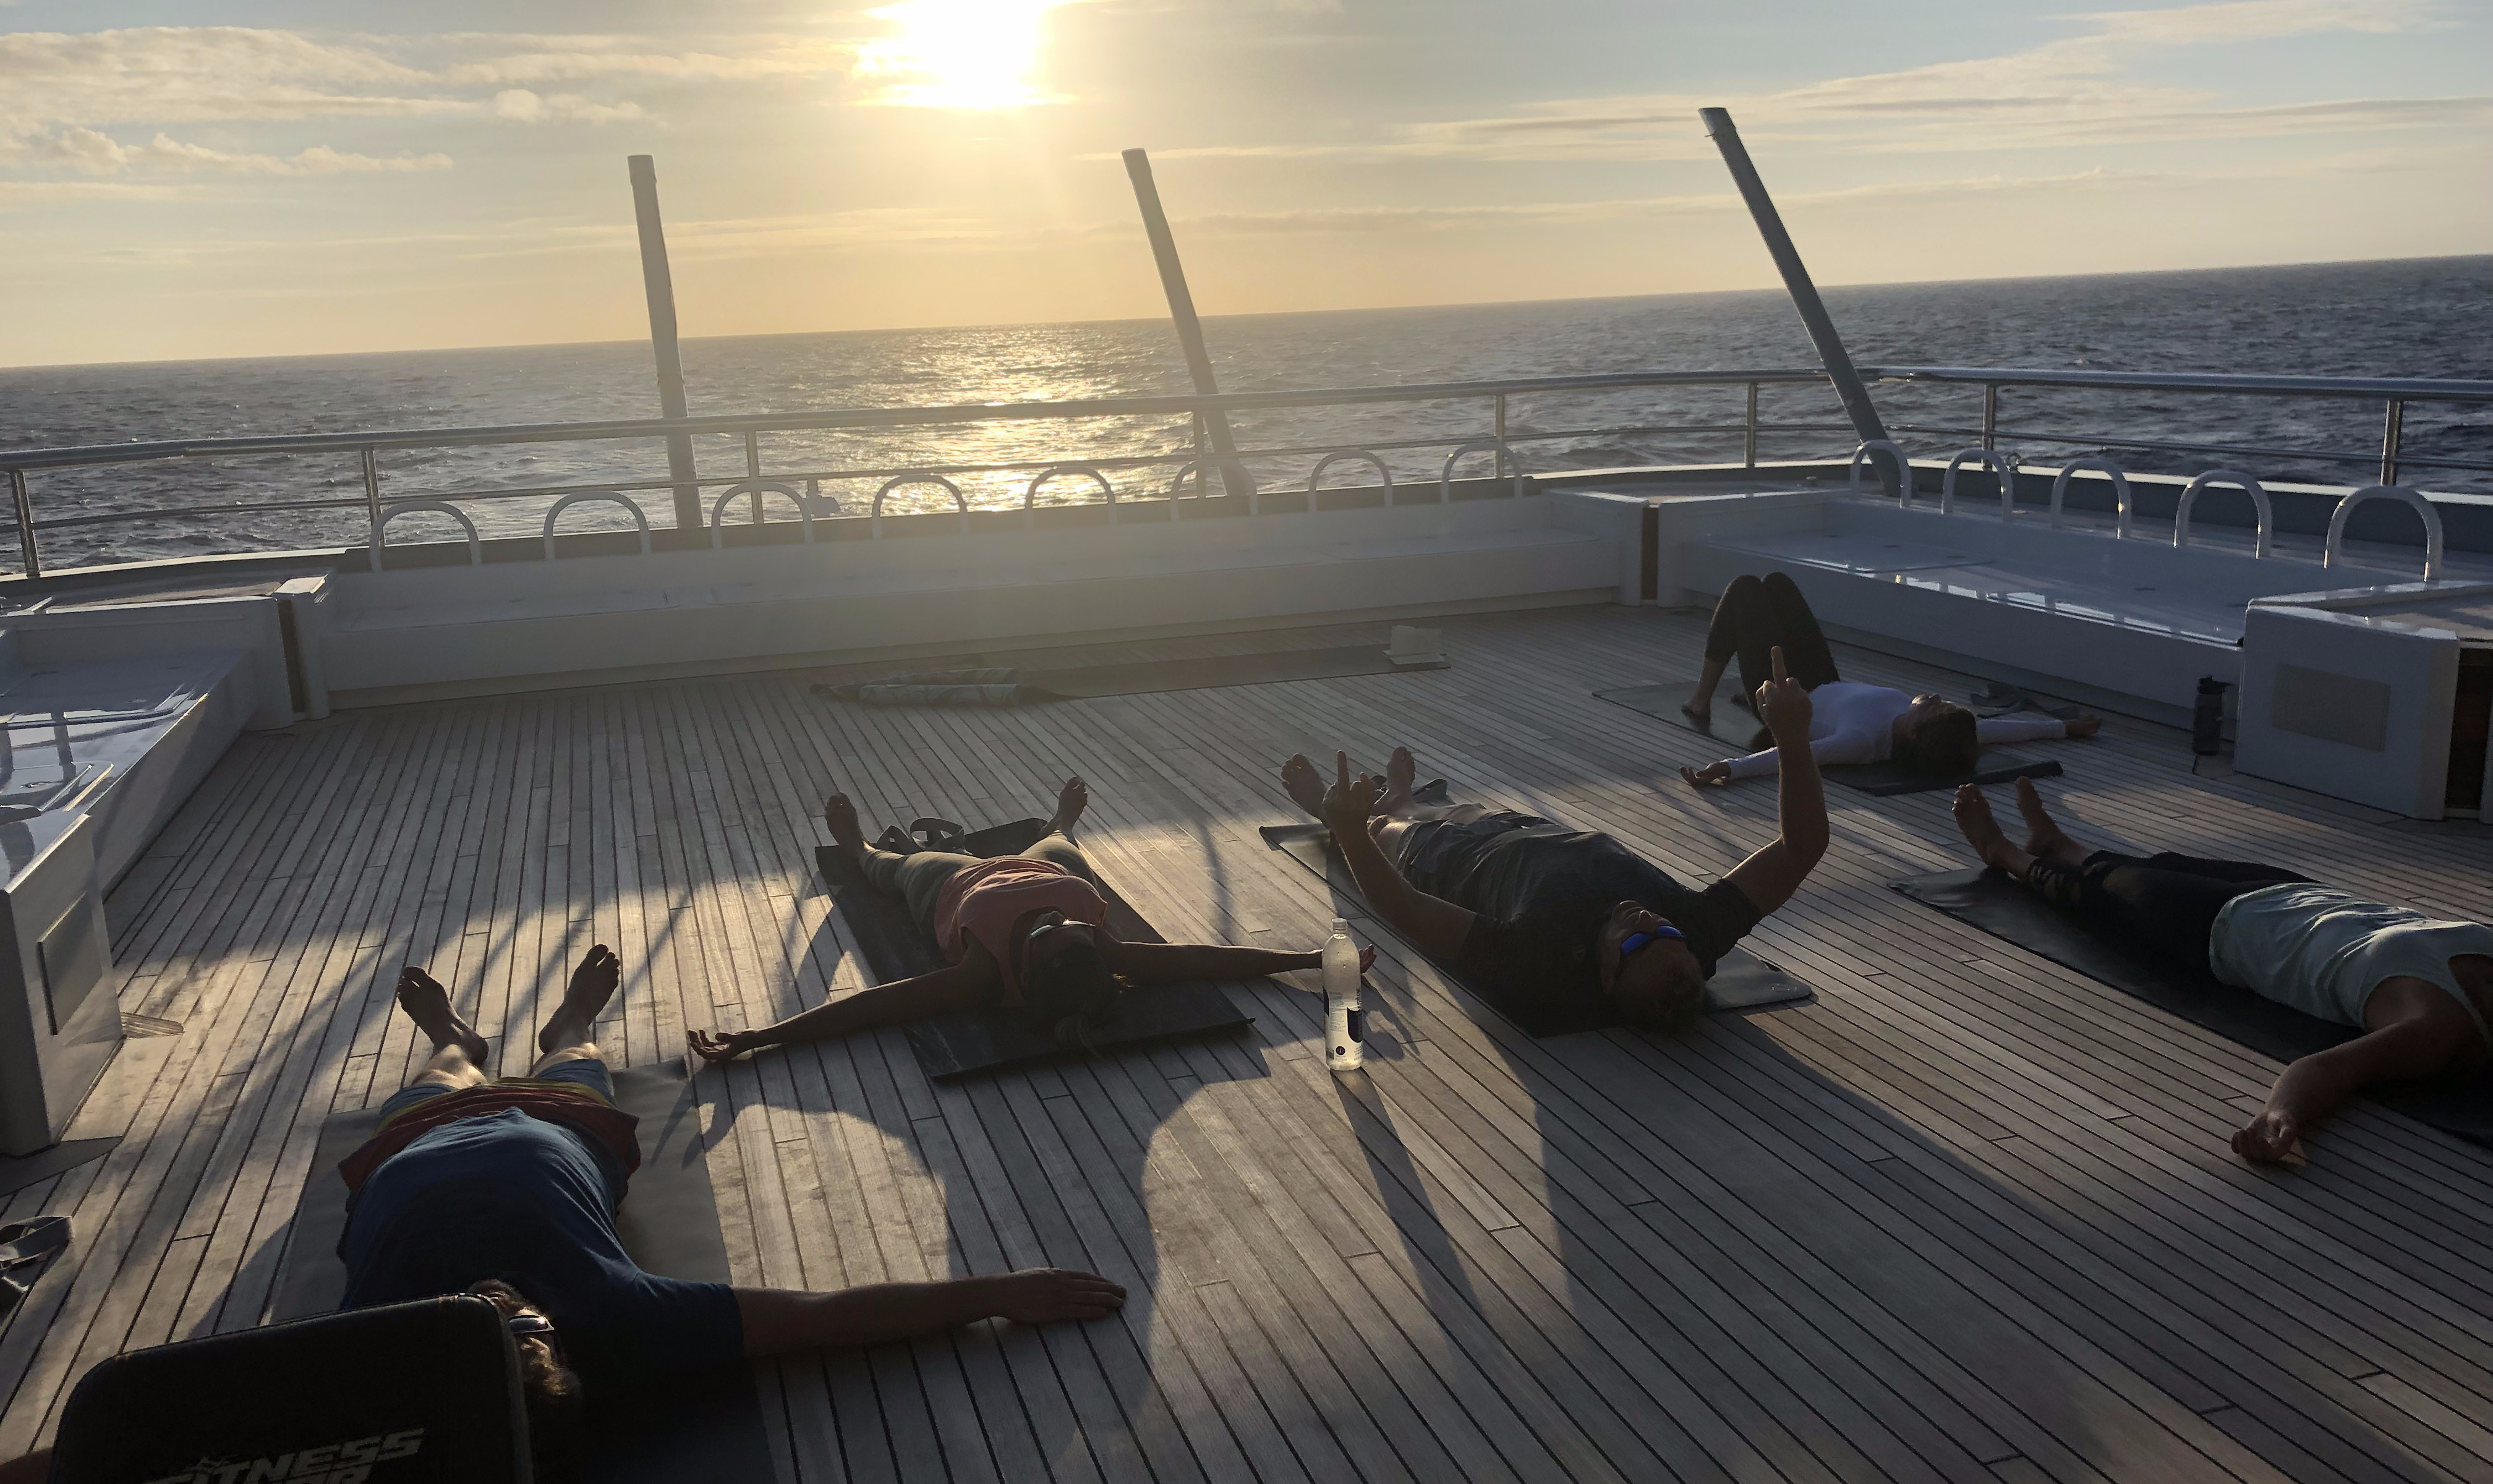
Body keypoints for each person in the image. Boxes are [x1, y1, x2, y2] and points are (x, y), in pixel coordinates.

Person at [0, 944, 1128, 1484]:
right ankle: (568, 1025)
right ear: (554, 1345)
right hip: (560, 1131)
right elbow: (830, 1318)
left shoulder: (366, 1364)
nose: (502, 1300)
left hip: (410, 1147)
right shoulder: (623, 1320)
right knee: (578, 1059)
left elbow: (117, 1451)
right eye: (524, 1320)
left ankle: (453, 1033)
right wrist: (996, 1286)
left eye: (488, 1319)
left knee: (442, 1072)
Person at [1280, 646, 1830, 1035]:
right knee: (1456, 808)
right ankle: (1398, 792)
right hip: (1531, 834)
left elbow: (1404, 907)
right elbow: (1802, 847)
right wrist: (1791, 737)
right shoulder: (1700, 930)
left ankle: (1345, 809)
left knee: (1387, 828)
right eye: (1667, 930)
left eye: (1637, 942)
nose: (1645, 919)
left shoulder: (1535, 961)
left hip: (1449, 862)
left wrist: (1351, 831)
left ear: (1607, 978)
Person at [1954, 777, 2493, 1164]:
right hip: (2298, 893)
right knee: (2161, 863)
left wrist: (2279, 1117)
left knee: (2101, 895)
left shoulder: (2435, 1028)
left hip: (2219, 929)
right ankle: (2060, 844)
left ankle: (2002, 852)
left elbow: (2327, 1069)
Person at [688, 775, 1372, 1065]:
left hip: (952, 883)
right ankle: (1060, 824)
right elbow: (1208, 958)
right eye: (1073, 930)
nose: (1060, 925)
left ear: (1029, 967)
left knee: (891, 872)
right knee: (1064, 854)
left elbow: (870, 1008)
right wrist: (1309, 960)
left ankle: (859, 848)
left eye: (1050, 934)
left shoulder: (978, 973)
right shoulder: (1102, 948)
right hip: (1046, 865)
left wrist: (759, 1035)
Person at [1678, 570, 2100, 787]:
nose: (1936, 697)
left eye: (1935, 707)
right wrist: (2065, 728)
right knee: (1778, 585)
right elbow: (2009, 731)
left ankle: (1701, 699)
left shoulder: (1862, 742)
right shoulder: (1946, 732)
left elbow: (1788, 759)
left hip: (1783, 693)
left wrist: (1728, 769)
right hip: (1826, 678)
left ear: (1916, 731)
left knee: (1746, 589)